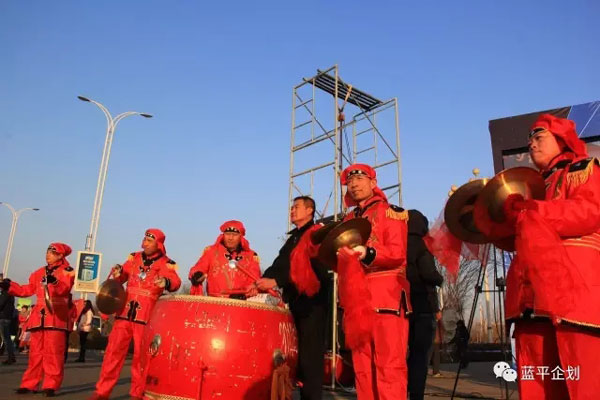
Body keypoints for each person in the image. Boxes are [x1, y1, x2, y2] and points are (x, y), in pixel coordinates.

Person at [502, 113, 600, 398]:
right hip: (530, 299)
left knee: (584, 385)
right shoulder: (530, 187)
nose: (531, 144)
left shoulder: (582, 170)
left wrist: (536, 210)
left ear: (561, 139)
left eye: (538, 137)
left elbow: (589, 212)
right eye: (529, 140)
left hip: (574, 295)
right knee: (537, 385)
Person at [336, 163, 410, 400]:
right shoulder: (348, 219)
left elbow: (398, 253)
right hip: (356, 301)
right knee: (362, 368)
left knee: (389, 366)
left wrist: (368, 253)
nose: (354, 184)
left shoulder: (390, 212)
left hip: (386, 297)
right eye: (350, 181)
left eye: (360, 179)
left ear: (373, 183)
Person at [90, 228, 181, 400]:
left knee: (142, 358)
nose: (144, 244)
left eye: (149, 241)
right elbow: (121, 277)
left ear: (158, 244)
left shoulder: (166, 263)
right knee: (112, 354)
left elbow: (176, 282)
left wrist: (166, 281)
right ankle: (101, 392)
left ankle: (137, 393)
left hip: (146, 316)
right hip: (124, 313)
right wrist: (118, 273)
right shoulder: (134, 258)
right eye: (144, 240)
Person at [253, 196, 330, 400]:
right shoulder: (293, 238)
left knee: (310, 358)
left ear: (309, 210)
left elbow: (306, 267)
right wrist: (260, 282)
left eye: (296, 207)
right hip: (296, 302)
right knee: (297, 356)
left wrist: (276, 281)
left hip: (313, 304)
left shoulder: (316, 234)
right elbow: (280, 263)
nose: (292, 211)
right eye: (291, 207)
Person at [0, 243, 75, 397]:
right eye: (47, 252)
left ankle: (51, 385)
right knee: (35, 354)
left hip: (56, 317)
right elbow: (27, 290)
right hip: (38, 318)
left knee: (54, 354)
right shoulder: (38, 272)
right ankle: (29, 384)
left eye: (52, 252)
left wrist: (55, 282)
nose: (48, 255)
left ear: (61, 255)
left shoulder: (68, 271)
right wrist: (8, 286)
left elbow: (64, 289)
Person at [406, 209, 444, 400]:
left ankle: (401, 390)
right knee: (420, 355)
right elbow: (429, 274)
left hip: (403, 305)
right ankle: (416, 394)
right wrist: (440, 278)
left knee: (404, 353)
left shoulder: (398, 244)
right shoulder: (422, 245)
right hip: (423, 306)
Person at [189, 220, 260, 298]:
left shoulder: (251, 256)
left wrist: (244, 294)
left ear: (241, 237)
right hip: (214, 301)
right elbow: (200, 267)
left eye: (234, 235)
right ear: (223, 235)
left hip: (241, 301)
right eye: (228, 234)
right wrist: (196, 275)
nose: (230, 238)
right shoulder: (211, 251)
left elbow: (255, 280)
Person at [0, 276, 17, 365]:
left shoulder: (5, 294)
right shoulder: (11, 294)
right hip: (7, 318)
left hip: (3, 318)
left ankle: (11, 357)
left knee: (6, 339)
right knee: (6, 338)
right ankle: (11, 356)